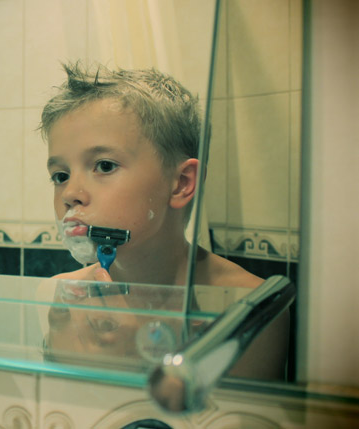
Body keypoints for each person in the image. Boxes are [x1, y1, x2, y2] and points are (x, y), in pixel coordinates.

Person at [39, 62, 289, 380]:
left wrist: (131, 360)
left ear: (182, 183)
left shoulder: (250, 311)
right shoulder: (59, 297)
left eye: (103, 166)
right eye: (60, 175)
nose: (70, 193)